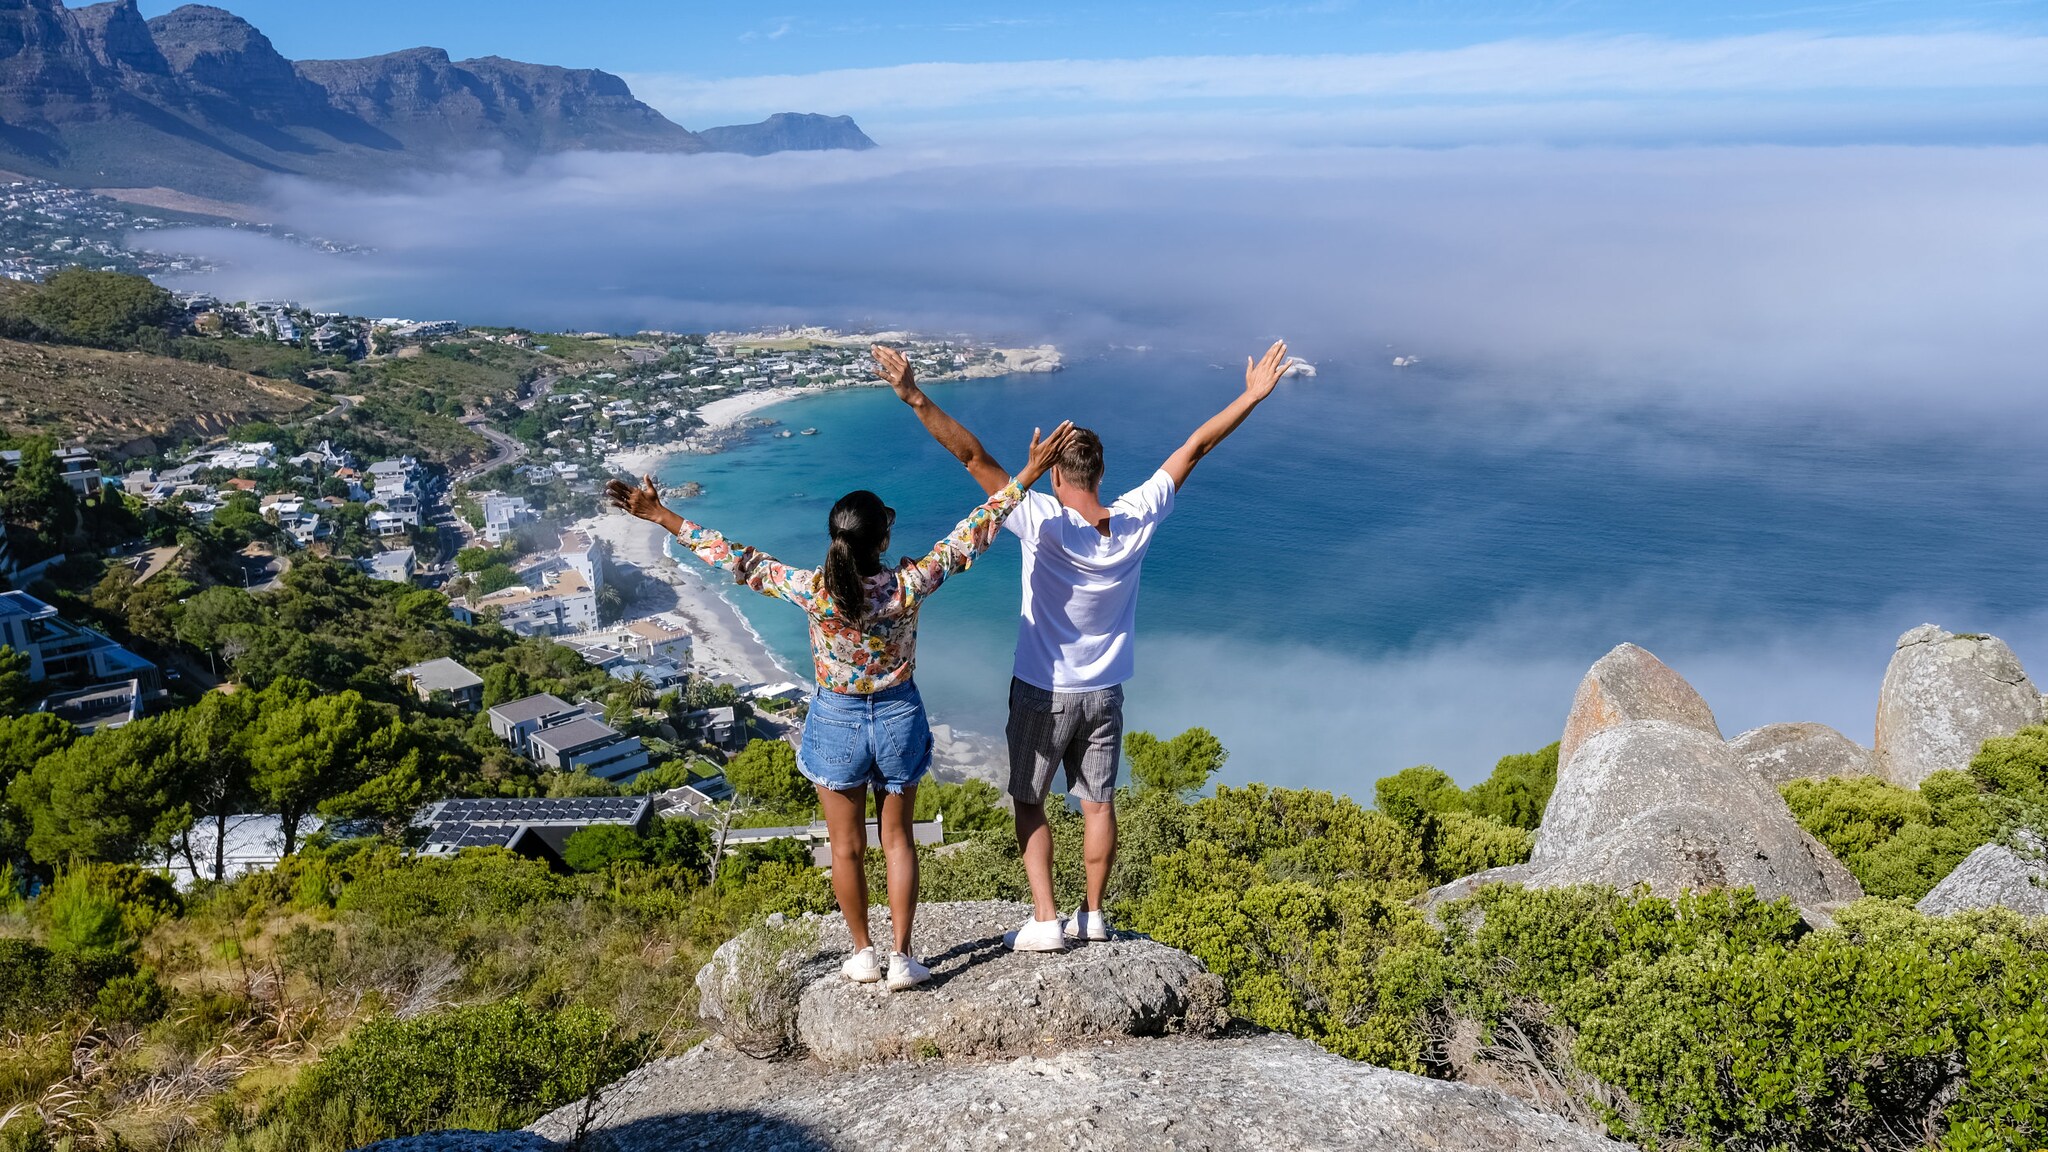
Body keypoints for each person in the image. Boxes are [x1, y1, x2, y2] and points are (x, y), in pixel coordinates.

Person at [603, 419, 1074, 988]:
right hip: (899, 715)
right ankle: (902, 958)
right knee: (898, 839)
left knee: (845, 846)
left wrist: (661, 516)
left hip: (836, 719)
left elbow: (739, 560)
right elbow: (975, 530)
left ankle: (862, 953)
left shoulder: (814, 591)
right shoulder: (908, 585)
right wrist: (1028, 472)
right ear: (882, 540)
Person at [875, 339, 1290, 950]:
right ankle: (1093, 915)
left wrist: (914, 395)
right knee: (1098, 804)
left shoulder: (1038, 516)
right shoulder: (1136, 518)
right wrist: (1251, 395)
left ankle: (1046, 919)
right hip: (1105, 693)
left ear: (1057, 473)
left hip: (1043, 691)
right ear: (1099, 471)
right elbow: (1195, 447)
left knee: (1028, 800)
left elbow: (971, 455)